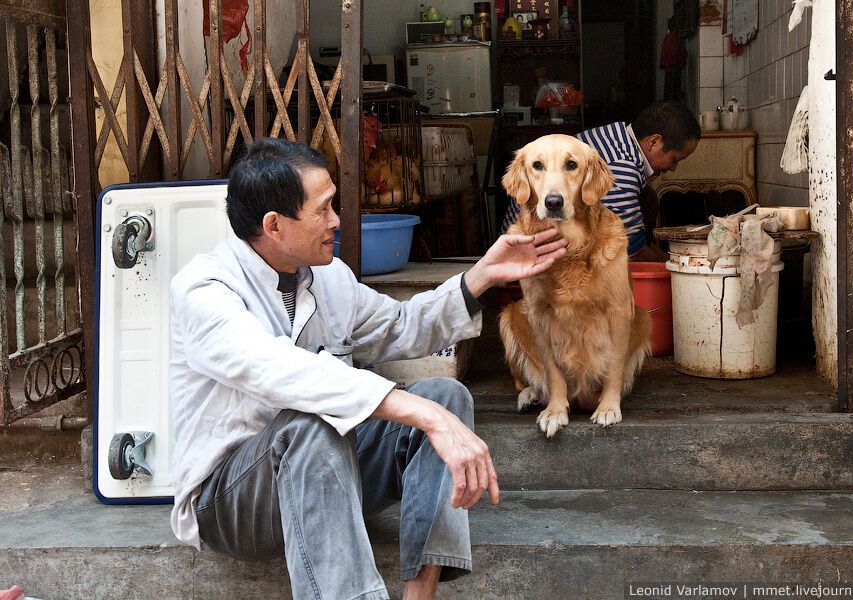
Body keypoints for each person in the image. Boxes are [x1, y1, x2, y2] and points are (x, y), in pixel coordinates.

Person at [168, 137, 567, 600]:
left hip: (327, 475)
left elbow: (401, 326)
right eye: (323, 209)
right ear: (274, 225)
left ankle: (419, 593)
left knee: (446, 397)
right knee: (311, 423)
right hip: (231, 503)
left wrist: (482, 276)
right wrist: (423, 416)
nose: (337, 220)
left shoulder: (327, 276)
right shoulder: (205, 290)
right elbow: (282, 371)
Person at [501, 100, 700, 262]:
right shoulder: (622, 164)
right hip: (531, 251)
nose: (673, 168)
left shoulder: (619, 136)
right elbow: (631, 248)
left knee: (648, 197)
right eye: (675, 159)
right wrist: (672, 266)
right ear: (654, 142)